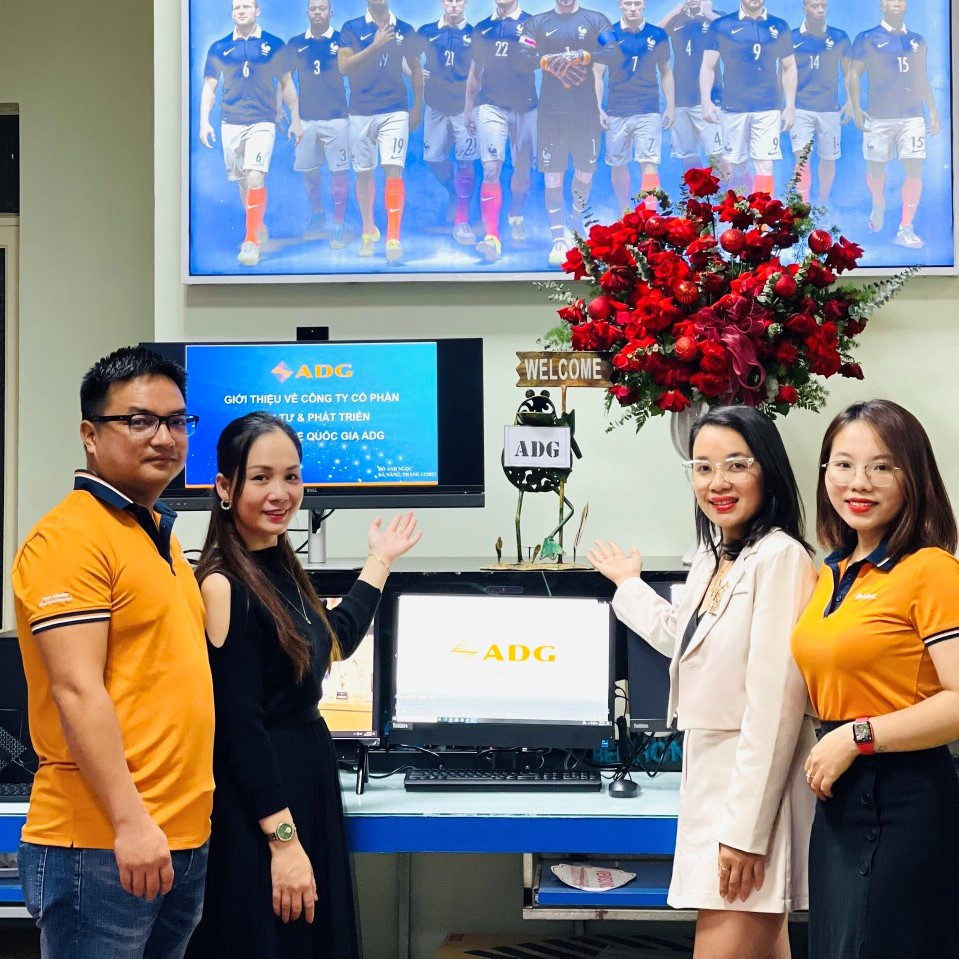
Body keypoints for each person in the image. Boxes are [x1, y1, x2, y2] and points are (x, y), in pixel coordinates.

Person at [185, 412, 421, 959]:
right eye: (261, 477)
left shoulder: (277, 565)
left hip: (303, 781)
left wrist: (379, 561)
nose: (281, 492)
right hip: (263, 805)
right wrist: (283, 844)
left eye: (291, 476)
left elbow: (329, 641)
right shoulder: (223, 584)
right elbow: (239, 729)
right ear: (224, 487)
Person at [588, 406, 816, 959]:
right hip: (715, 781)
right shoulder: (716, 555)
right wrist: (629, 584)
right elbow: (685, 635)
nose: (717, 483)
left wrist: (745, 832)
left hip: (750, 791)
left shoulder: (781, 558)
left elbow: (776, 707)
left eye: (736, 465)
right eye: (703, 467)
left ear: (768, 470)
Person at [12, 346, 214, 958]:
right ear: (90, 435)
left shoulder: (157, 536)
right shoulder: (68, 539)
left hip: (176, 839)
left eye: (177, 421)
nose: (165, 438)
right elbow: (76, 691)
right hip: (103, 844)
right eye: (140, 420)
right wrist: (130, 822)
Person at [792, 399, 959, 959]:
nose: (858, 482)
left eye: (882, 466)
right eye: (843, 464)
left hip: (903, 797)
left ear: (914, 477)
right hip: (839, 803)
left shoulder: (931, 569)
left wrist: (855, 736)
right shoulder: (831, 571)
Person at [200, 0, 304, 268]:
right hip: (230, 122)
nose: (241, 11)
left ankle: (251, 241)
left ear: (257, 11)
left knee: (255, 176)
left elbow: (287, 83)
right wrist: (204, 122)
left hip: (261, 121)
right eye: (237, 7)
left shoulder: (274, 44)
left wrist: (295, 119)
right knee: (243, 182)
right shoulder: (219, 47)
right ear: (232, 13)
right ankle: (258, 226)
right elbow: (210, 88)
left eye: (246, 6)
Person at [847, 0, 940, 250]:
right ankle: (878, 202)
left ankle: (906, 227)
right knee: (876, 170)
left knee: (914, 170)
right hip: (879, 117)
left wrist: (933, 110)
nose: (896, 3)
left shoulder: (917, 40)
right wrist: (855, 106)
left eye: (900, 0)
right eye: (890, 0)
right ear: (882, 5)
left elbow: (921, 77)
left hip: (912, 116)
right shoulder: (867, 38)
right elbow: (854, 73)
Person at [527, 0, 612, 267]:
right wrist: (544, 61)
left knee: (585, 172)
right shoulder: (537, 23)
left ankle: (575, 220)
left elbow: (613, 51)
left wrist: (585, 56)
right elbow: (519, 57)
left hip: (586, 113)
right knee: (553, 175)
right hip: (551, 113)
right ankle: (558, 240)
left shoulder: (596, 20)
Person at [338, 0, 423, 263]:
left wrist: (417, 105)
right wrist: (375, 45)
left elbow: (416, 69)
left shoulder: (405, 29)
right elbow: (343, 67)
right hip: (360, 111)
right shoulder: (351, 28)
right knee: (363, 172)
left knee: (393, 169)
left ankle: (393, 238)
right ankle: (368, 231)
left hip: (395, 110)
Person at [464, 0, 539, 263]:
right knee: (491, 168)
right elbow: (475, 71)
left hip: (525, 106)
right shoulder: (482, 28)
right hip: (490, 105)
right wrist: (468, 107)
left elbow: (539, 62)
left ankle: (516, 213)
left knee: (522, 170)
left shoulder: (533, 24)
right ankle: (492, 237)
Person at [700, 0, 797, 195]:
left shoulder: (779, 26)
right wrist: (706, 101)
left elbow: (789, 67)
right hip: (733, 106)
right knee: (737, 167)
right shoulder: (721, 26)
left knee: (765, 165)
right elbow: (708, 67)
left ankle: (763, 213)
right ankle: (741, 210)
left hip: (768, 106)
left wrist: (790, 106)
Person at [594, 0, 675, 214]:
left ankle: (650, 216)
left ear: (643, 5)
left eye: (637, 3)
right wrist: (598, 108)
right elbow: (597, 73)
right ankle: (625, 212)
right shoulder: (607, 35)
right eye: (628, 3)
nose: (632, 8)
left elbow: (666, 72)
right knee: (618, 164)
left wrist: (671, 106)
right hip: (616, 110)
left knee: (649, 163)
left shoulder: (658, 35)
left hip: (648, 109)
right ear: (620, 5)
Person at [281, 0, 351, 249]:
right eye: (313, 9)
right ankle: (318, 213)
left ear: (331, 12)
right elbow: (285, 80)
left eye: (322, 8)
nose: (318, 12)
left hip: (337, 118)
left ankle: (338, 223)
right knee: (310, 172)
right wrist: (280, 109)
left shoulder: (343, 40)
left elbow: (358, 71)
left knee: (339, 171)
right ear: (308, 13)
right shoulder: (295, 43)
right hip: (306, 119)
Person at [416, 0, 479, 246]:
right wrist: (414, 72)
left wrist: (472, 105)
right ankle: (454, 190)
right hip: (435, 105)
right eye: (449, 0)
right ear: (443, 3)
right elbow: (406, 57)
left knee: (466, 160)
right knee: (433, 158)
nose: (454, 5)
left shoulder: (475, 34)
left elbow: (483, 69)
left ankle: (461, 220)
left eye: (458, 0)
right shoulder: (427, 31)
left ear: (465, 3)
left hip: (464, 107)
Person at [789, 0, 851, 205]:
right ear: (804, 8)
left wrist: (851, 100)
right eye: (815, 6)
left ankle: (823, 204)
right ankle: (803, 206)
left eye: (824, 6)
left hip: (829, 109)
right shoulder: (791, 37)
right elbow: (784, 73)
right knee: (801, 159)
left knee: (828, 158)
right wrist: (784, 106)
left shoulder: (839, 37)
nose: (821, 10)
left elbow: (849, 72)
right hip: (800, 108)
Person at [658, 0, 723, 172]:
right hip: (681, 97)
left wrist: (708, 13)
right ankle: (699, 190)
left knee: (717, 155)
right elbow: (652, 36)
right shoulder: (676, 19)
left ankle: (724, 190)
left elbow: (732, 31)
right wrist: (673, 13)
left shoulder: (715, 17)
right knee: (688, 156)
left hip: (710, 98)